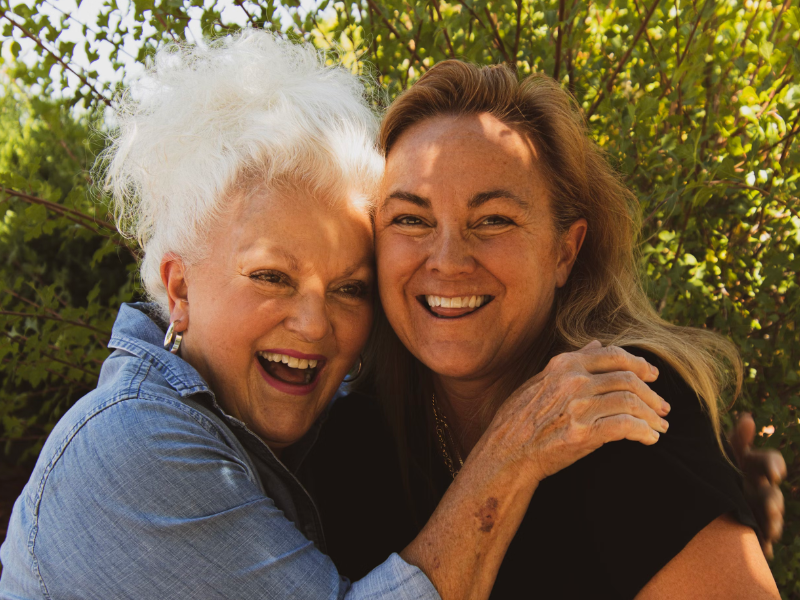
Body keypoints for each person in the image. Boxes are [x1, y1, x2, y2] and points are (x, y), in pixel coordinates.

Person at [0, 34, 673, 600]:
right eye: (271, 277)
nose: (315, 325)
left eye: (349, 289)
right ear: (179, 289)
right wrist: (512, 450)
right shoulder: (132, 446)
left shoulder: (304, 423)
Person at [306, 60, 782, 599]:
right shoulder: (348, 439)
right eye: (411, 220)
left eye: (493, 220)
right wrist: (509, 454)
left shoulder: (622, 406)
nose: (447, 260)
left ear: (564, 251)